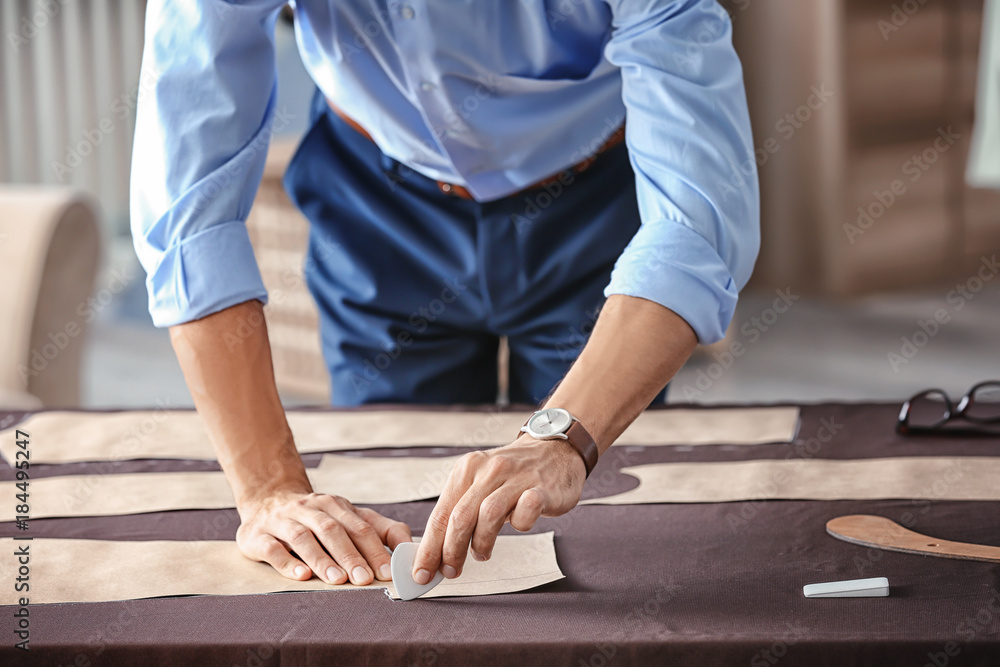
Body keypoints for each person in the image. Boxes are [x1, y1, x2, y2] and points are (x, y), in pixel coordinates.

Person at [131, 0, 759, 589]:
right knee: (379, 531)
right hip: (378, 199)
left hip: (594, 196)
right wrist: (270, 490)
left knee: (593, 524)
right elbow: (189, 219)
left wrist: (564, 436)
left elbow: (696, 227)